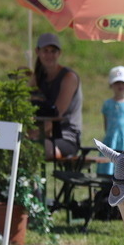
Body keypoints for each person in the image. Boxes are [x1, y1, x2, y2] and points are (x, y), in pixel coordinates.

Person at [29, 33, 83, 161]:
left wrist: (32, 134)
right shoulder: (38, 78)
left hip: (66, 136)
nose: (49, 55)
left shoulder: (69, 78)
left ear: (59, 53)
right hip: (45, 135)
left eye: (53, 51)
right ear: (37, 52)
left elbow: (56, 115)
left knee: (38, 147)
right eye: (45, 51)